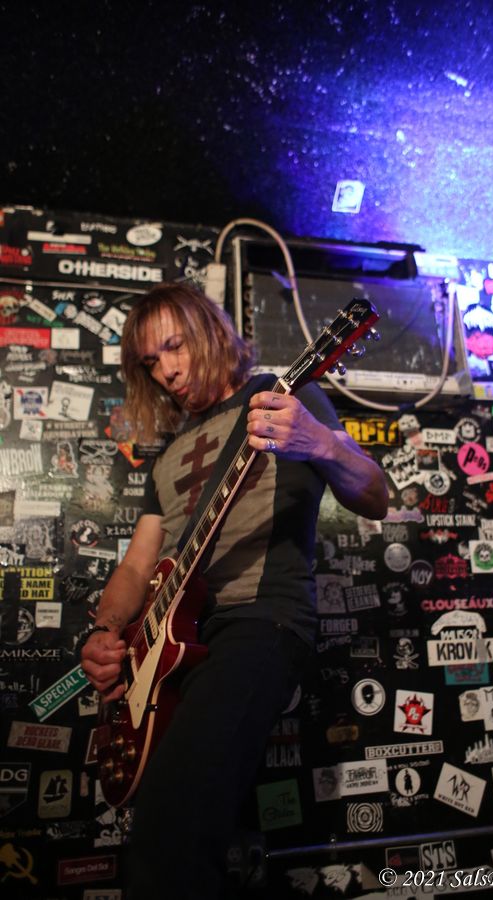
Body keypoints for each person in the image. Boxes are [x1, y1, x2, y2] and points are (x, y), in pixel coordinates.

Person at [80, 281, 388, 900]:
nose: (167, 371)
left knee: (169, 831)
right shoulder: (166, 457)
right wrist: (107, 632)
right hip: (171, 651)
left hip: (259, 621)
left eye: (174, 346)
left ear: (209, 331)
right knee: (183, 828)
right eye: (151, 362)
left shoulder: (283, 397)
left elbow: (375, 495)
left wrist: (319, 442)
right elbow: (138, 567)